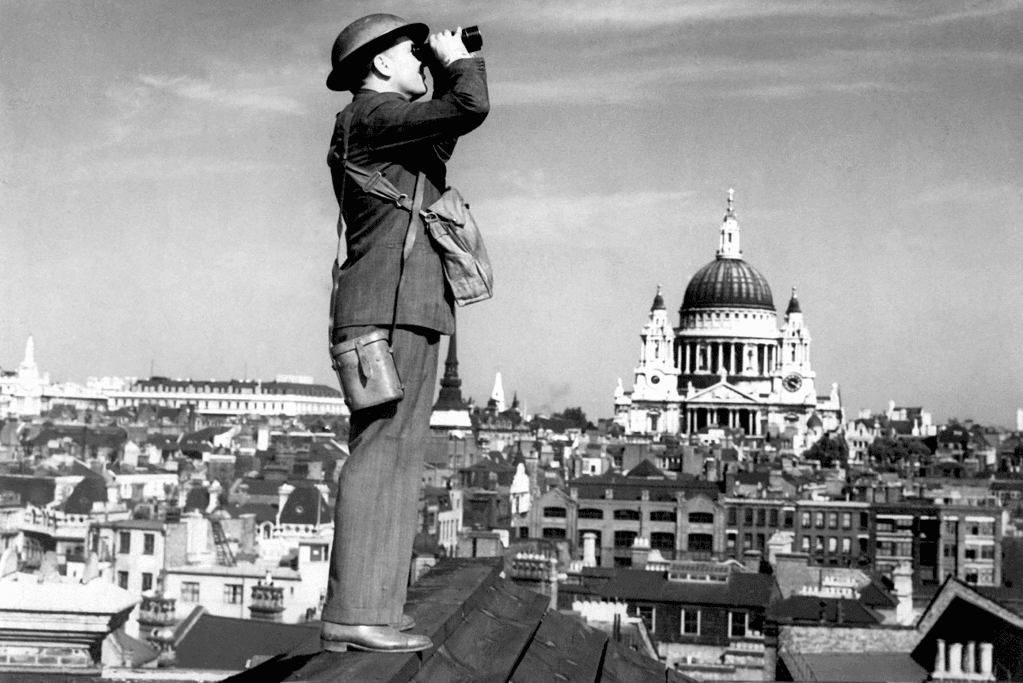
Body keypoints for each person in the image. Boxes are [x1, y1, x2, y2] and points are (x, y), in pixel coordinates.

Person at [320, 14, 489, 653]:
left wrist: (441, 71)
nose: (422, 58)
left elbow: (444, 132)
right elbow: (469, 105)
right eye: (411, 51)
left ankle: (376, 612)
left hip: (410, 308)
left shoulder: (390, 130)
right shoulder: (367, 116)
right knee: (379, 455)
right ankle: (355, 612)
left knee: (399, 460)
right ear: (381, 64)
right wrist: (455, 64)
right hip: (386, 311)